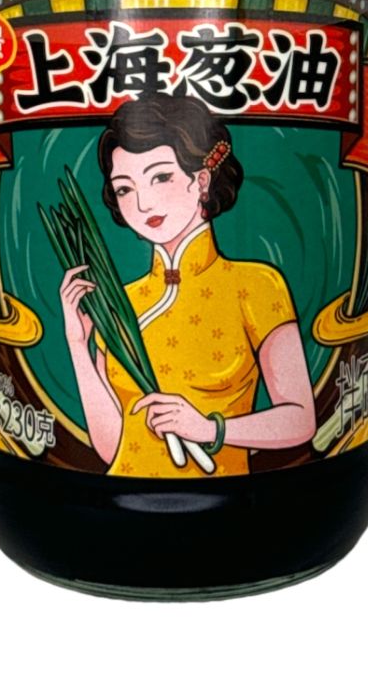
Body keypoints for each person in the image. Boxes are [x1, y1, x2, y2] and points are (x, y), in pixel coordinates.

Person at [58, 94, 316, 477]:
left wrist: (210, 429)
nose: (143, 204)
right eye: (125, 189)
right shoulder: (117, 301)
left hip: (239, 495)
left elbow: (301, 419)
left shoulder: (255, 285)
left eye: (161, 177)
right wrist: (78, 344)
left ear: (202, 180)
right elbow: (111, 446)